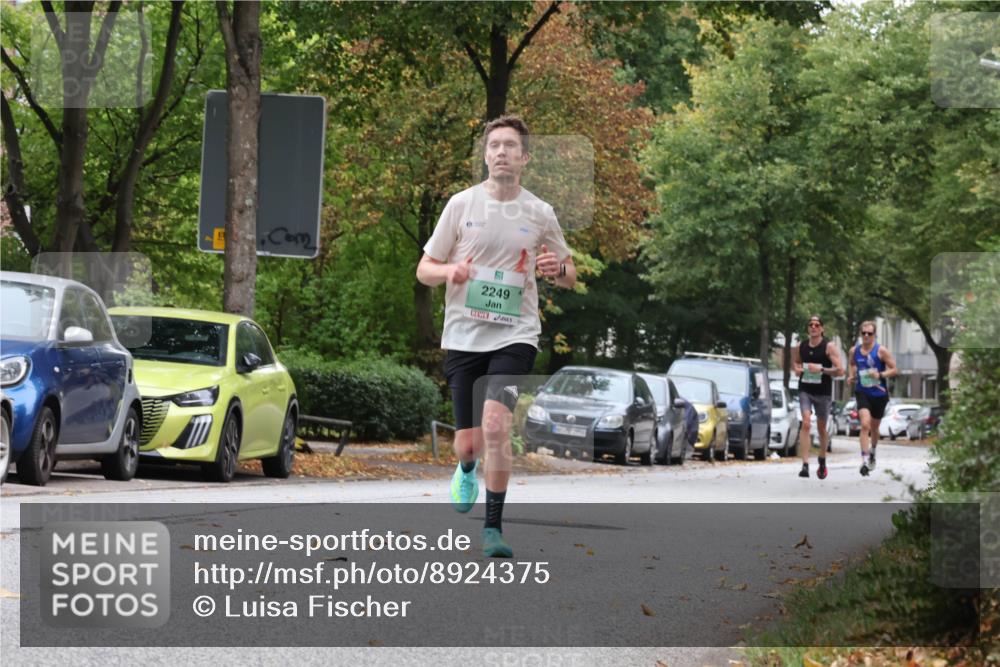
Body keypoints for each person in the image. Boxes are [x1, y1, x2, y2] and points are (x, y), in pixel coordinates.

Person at [415, 115, 576, 557]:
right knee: (468, 441)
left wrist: (556, 268)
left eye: (510, 146)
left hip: (515, 334)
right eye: (494, 145)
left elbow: (569, 273)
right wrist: (451, 270)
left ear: (525, 158)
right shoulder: (461, 205)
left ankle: (493, 529)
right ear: (485, 155)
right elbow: (424, 269)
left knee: (495, 426)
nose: (501, 152)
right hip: (465, 335)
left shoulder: (540, 212)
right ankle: (466, 467)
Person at [792, 315, 844, 479]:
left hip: (823, 392)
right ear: (808, 328)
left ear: (822, 328)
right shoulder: (802, 346)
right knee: (806, 422)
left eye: (817, 325)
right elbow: (796, 363)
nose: (813, 327)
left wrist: (821, 369)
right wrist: (798, 369)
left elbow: (840, 370)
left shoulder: (829, 347)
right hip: (805, 389)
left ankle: (822, 459)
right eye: (811, 325)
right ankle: (805, 465)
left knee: (821, 427)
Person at [846, 321, 898, 476]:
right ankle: (864, 459)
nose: (866, 336)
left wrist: (880, 375)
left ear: (874, 335)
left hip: (879, 394)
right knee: (865, 424)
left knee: (874, 427)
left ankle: (873, 451)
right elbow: (852, 364)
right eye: (864, 333)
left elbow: (895, 369)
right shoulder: (854, 350)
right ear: (861, 334)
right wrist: (852, 375)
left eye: (869, 333)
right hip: (862, 392)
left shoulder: (881, 351)